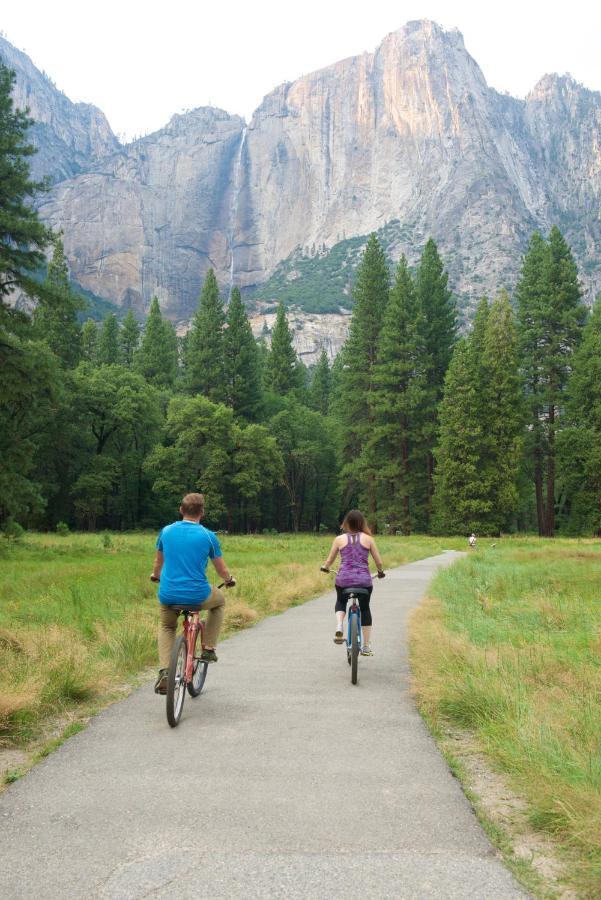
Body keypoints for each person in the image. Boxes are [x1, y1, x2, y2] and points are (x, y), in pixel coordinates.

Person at [150, 492, 235, 695]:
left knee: (166, 626)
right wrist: (229, 580)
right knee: (219, 601)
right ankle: (208, 649)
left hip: (169, 595)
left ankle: (164, 671)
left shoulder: (166, 531)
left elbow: (158, 563)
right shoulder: (208, 536)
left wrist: (155, 576)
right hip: (198, 595)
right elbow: (221, 570)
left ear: (181, 510)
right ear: (202, 513)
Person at [320, 509, 385, 656]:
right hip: (364, 581)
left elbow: (329, 561)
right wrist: (380, 572)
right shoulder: (368, 539)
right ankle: (366, 646)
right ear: (362, 523)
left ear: (346, 523)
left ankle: (339, 626)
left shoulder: (339, 539)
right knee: (365, 608)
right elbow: (379, 562)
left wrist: (325, 568)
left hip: (344, 579)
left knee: (341, 601)